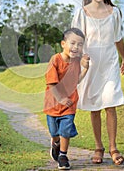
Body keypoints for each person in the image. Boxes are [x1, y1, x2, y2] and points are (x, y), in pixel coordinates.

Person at [71, 0, 124, 165]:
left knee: (110, 103)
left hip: (110, 63)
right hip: (90, 64)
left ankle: (113, 148)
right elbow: (76, 39)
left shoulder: (115, 12)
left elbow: (118, 38)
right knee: (94, 106)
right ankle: (99, 147)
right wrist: (78, 59)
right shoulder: (81, 13)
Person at [44, 28, 90, 170]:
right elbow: (51, 83)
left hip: (69, 103)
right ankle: (55, 143)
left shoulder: (76, 61)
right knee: (54, 132)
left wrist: (85, 69)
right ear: (63, 44)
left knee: (66, 129)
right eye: (73, 43)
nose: (76, 47)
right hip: (53, 104)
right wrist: (61, 99)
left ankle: (63, 155)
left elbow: (76, 81)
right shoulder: (55, 60)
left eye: (80, 44)